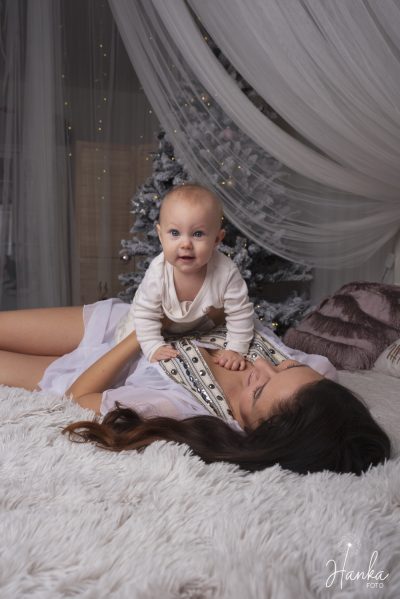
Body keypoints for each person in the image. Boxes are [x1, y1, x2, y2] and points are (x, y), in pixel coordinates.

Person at [0, 297, 390, 475]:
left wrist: (145, 335)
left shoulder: (188, 412)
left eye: (258, 390)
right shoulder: (314, 382)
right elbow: (337, 427)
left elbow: (79, 396)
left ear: (256, 431)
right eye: (282, 366)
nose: (260, 366)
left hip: (96, 366)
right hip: (115, 323)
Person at [115, 183, 254, 371]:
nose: (186, 244)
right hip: (147, 324)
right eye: (175, 233)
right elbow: (145, 314)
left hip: (192, 327)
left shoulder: (225, 272)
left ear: (216, 240)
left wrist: (235, 349)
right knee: (133, 357)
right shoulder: (158, 272)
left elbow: (240, 313)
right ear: (160, 235)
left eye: (198, 234)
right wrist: (153, 346)